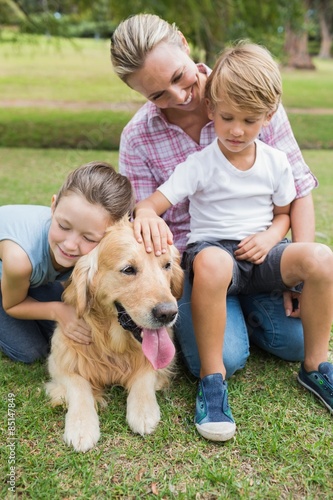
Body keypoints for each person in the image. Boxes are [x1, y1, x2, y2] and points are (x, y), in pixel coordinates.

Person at [133, 41, 333, 441]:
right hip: (213, 253)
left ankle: (316, 366)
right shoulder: (199, 164)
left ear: (268, 117)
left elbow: (284, 214)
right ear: (211, 110)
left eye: (249, 120)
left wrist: (271, 237)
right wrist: (143, 212)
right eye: (227, 118)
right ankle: (212, 381)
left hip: (262, 251)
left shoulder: (275, 162)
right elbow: (152, 203)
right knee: (211, 263)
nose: (237, 130)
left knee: (322, 258)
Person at [110, 13, 318, 380]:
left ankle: (244, 307)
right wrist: (143, 214)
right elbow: (143, 216)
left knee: (296, 343)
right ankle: (225, 317)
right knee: (228, 357)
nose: (179, 97)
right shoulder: (138, 137)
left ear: (184, 44)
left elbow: (297, 190)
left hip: (259, 251)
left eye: (178, 76)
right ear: (138, 93)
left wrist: (296, 281)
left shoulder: (251, 98)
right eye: (158, 94)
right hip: (199, 265)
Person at [0, 161, 134, 363]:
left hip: (29, 278)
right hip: (11, 279)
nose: (70, 245)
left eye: (89, 238)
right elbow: (13, 305)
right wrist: (58, 310)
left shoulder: (101, 248)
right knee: (31, 351)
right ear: (53, 206)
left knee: (71, 328)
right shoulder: (19, 260)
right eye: (63, 226)